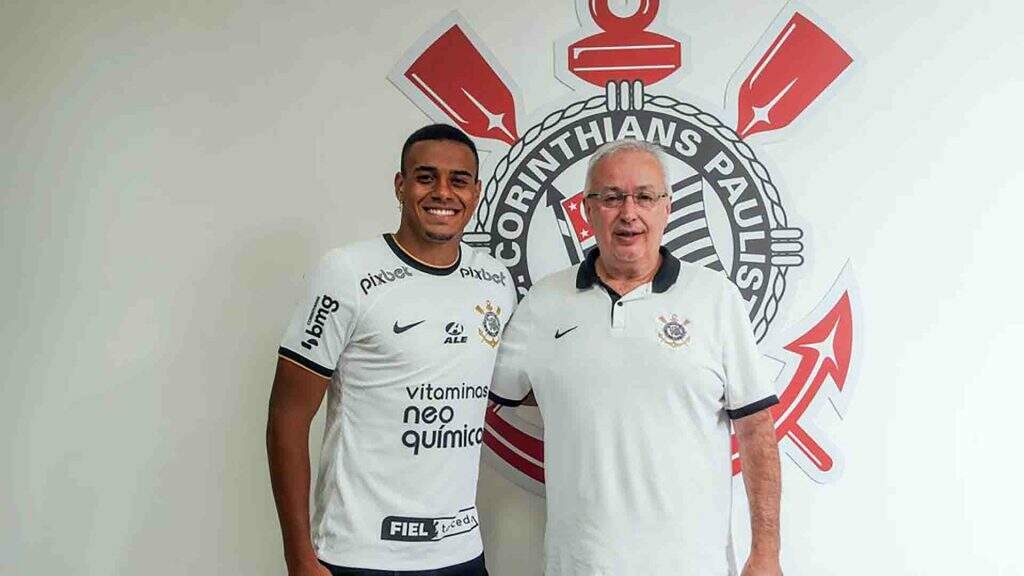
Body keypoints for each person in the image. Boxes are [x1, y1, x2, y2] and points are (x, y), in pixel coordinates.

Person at [488, 139, 783, 576]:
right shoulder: (544, 300)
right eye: (611, 198)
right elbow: (505, 392)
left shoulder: (716, 298)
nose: (629, 212)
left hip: (691, 565)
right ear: (587, 209)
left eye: (644, 196)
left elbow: (757, 430)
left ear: (667, 207)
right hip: (579, 565)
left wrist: (766, 554)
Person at [267, 124, 515, 576]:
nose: (443, 192)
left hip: (459, 553)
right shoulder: (346, 273)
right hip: (358, 554)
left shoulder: (496, 281)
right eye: (425, 177)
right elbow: (287, 417)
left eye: (458, 180)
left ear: (476, 192)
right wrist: (299, 557)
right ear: (400, 185)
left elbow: (514, 381)